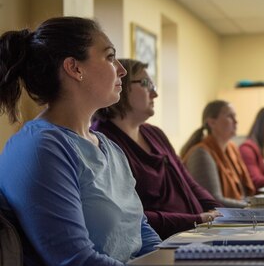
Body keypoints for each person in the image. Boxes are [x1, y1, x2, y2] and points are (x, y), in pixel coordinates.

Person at [0, 17, 161, 265]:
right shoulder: (42, 148)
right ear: (74, 68)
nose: (122, 69)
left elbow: (141, 233)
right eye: (109, 57)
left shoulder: (110, 148)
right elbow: (75, 259)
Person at [91, 58, 223, 240]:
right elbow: (128, 216)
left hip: (195, 233)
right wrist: (197, 219)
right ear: (119, 84)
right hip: (157, 242)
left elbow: (188, 182)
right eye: (146, 83)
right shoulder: (102, 140)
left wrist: (217, 211)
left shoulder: (155, 133)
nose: (155, 93)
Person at [180, 100, 256, 208]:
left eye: (235, 116)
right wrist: (253, 208)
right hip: (215, 220)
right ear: (212, 122)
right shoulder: (201, 154)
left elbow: (243, 193)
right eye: (230, 116)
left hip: (236, 215)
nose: (236, 121)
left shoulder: (232, 148)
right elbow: (213, 201)